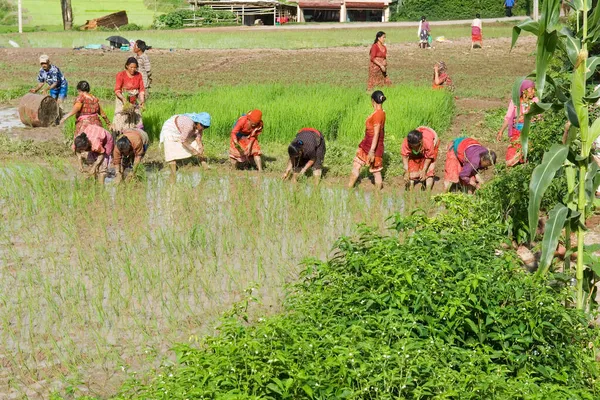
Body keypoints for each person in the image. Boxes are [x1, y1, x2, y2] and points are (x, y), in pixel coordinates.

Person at [348, 90, 387, 190]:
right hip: (369, 144)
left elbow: (377, 133)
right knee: (375, 171)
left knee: (373, 170)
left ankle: (349, 189)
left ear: (373, 101)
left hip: (371, 146)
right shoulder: (382, 113)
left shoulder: (378, 114)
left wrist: (372, 151)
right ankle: (377, 196)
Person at [496, 79, 539, 167]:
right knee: (511, 156)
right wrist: (501, 131)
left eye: (534, 89)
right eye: (532, 89)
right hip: (517, 132)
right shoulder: (515, 102)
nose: (533, 92)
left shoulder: (535, 101)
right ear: (524, 91)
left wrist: (530, 118)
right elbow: (508, 117)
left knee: (528, 152)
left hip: (530, 133)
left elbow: (539, 116)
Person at [401, 126, 439, 191]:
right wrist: (406, 171)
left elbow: (429, 157)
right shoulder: (406, 142)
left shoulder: (428, 143)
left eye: (415, 146)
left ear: (420, 142)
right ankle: (411, 190)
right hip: (421, 144)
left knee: (429, 171)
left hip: (432, 141)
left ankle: (427, 191)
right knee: (412, 167)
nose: (414, 148)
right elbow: (405, 157)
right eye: (411, 146)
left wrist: (424, 170)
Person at [113, 57, 145, 134]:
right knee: (122, 118)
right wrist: (124, 99)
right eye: (131, 67)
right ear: (127, 66)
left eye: (135, 67)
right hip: (122, 100)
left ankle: (135, 135)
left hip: (134, 100)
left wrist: (142, 101)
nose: (133, 69)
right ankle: (119, 135)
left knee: (136, 117)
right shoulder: (121, 75)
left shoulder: (139, 75)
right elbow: (117, 90)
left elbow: (141, 90)